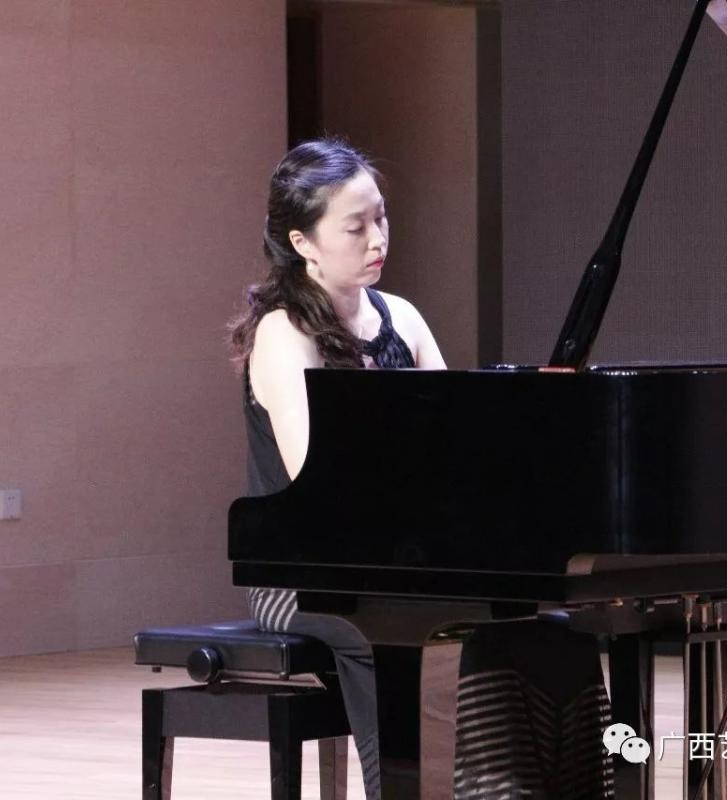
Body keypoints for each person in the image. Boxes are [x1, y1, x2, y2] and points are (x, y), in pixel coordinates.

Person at [228, 138, 612, 800]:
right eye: (356, 226)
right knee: (408, 636)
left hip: (404, 560)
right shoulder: (284, 333)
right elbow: (315, 483)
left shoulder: (399, 318)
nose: (378, 238)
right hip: (302, 572)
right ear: (303, 242)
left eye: (381, 217)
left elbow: (456, 450)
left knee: (555, 636)